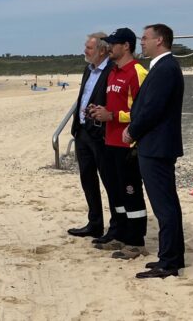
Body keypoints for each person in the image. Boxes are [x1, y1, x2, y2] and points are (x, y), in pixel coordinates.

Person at [123, 24, 185, 279]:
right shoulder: (161, 67)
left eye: (145, 38)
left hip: (157, 146)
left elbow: (152, 109)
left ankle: (169, 261)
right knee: (166, 203)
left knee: (164, 205)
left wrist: (132, 131)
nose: (142, 42)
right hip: (156, 145)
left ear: (159, 40)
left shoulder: (165, 68)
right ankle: (170, 255)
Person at [88, 28, 148, 260]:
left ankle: (136, 242)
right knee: (117, 194)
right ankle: (121, 235)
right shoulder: (113, 71)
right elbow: (112, 106)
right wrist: (98, 112)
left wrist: (113, 116)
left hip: (128, 145)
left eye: (113, 44)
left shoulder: (137, 72)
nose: (109, 47)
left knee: (131, 193)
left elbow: (143, 113)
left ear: (126, 46)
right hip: (109, 141)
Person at [68, 32, 120, 242]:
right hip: (82, 132)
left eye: (89, 48)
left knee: (110, 181)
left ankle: (116, 225)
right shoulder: (87, 70)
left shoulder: (111, 70)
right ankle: (95, 223)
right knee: (87, 179)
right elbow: (83, 97)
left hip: (100, 134)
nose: (85, 51)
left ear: (101, 50)